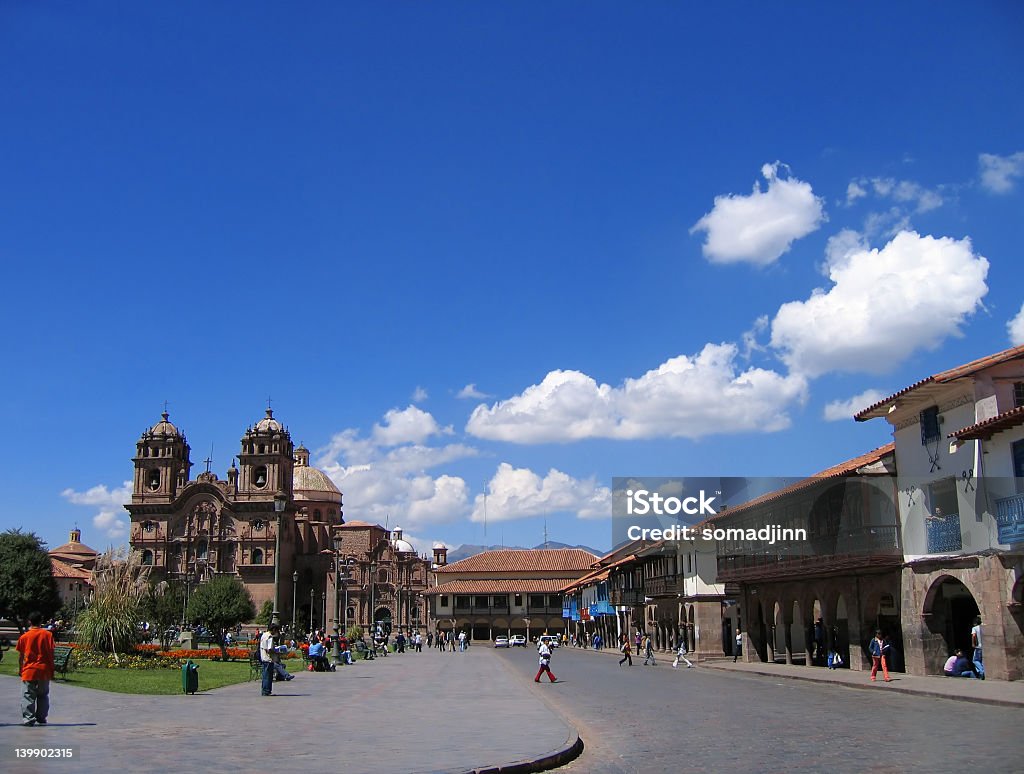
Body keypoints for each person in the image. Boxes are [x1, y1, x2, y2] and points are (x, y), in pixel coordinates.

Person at [17, 611, 55, 726]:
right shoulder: (48, 635)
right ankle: (41, 717)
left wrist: (20, 669)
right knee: (43, 695)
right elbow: (51, 653)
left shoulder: (24, 637)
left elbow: (21, 656)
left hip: (29, 670)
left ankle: (29, 718)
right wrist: (52, 669)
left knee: (28, 695)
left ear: (29, 621)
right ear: (41, 621)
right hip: (44, 670)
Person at [259, 623, 280, 696]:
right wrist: (276, 651)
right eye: (276, 630)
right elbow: (269, 648)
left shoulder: (264, 635)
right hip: (268, 658)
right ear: (273, 629)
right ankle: (267, 691)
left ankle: (264, 690)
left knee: (265, 675)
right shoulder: (270, 637)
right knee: (268, 675)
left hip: (263, 657)